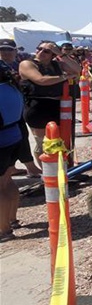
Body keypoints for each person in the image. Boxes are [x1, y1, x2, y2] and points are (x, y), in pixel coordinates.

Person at [18, 41, 75, 166]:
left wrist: (61, 54)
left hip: (57, 106)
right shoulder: (27, 64)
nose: (41, 52)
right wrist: (65, 77)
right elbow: (41, 80)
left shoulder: (57, 64)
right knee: (44, 142)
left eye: (47, 51)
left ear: (53, 54)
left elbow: (77, 70)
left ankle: (63, 168)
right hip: (38, 106)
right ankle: (47, 173)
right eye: (39, 49)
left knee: (61, 139)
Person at [0, 39, 41, 178]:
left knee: (21, 137)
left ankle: (13, 167)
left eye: (9, 49)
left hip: (18, 107)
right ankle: (28, 167)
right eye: (2, 49)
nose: (5, 52)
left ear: (15, 51)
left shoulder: (20, 66)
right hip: (6, 111)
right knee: (20, 137)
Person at [0, 60, 25, 242]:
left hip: (2, 141)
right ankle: (12, 219)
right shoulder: (12, 88)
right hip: (14, 137)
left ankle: (3, 230)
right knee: (7, 181)